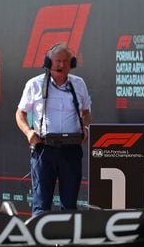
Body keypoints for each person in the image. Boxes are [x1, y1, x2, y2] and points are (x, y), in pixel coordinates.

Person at [16, 43, 92, 216]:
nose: (61, 65)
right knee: (41, 205)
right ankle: (38, 242)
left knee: (70, 205)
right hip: (44, 150)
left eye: (66, 61)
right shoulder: (34, 84)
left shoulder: (79, 84)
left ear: (72, 63)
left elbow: (86, 113)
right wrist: (29, 132)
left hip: (71, 150)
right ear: (48, 62)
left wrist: (85, 128)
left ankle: (69, 242)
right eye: (58, 61)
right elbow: (20, 114)